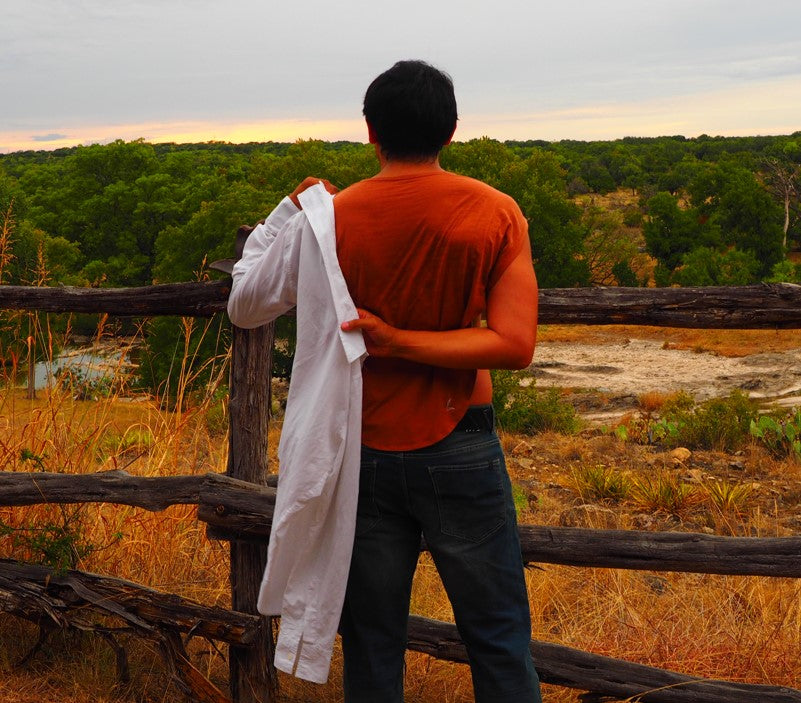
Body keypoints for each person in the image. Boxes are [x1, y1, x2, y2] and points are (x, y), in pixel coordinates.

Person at [330, 60, 542, 703]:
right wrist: (405, 340)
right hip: (461, 442)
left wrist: (387, 342)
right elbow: (513, 344)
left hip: (360, 444)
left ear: (370, 131)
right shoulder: (495, 212)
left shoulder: (333, 216)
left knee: (370, 639)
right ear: (451, 130)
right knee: (498, 634)